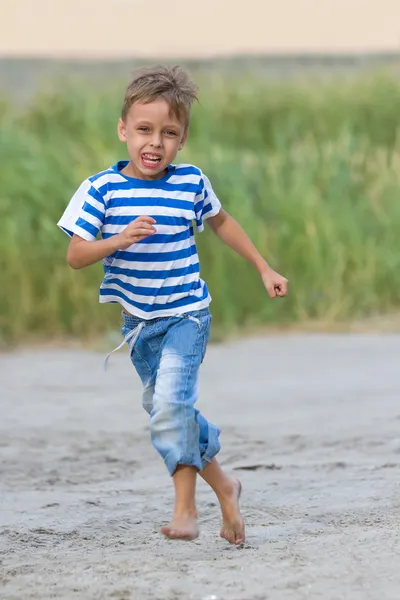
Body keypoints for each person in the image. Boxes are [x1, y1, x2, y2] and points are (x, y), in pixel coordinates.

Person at [58, 65, 288, 545]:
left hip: (187, 315)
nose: (155, 142)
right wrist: (118, 240)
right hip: (138, 327)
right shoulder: (101, 189)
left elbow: (223, 223)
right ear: (123, 130)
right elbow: (76, 255)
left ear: (182, 139)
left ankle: (185, 511)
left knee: (169, 405)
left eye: (169, 133)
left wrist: (264, 268)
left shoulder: (190, 182)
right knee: (169, 410)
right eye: (144, 130)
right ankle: (226, 486)